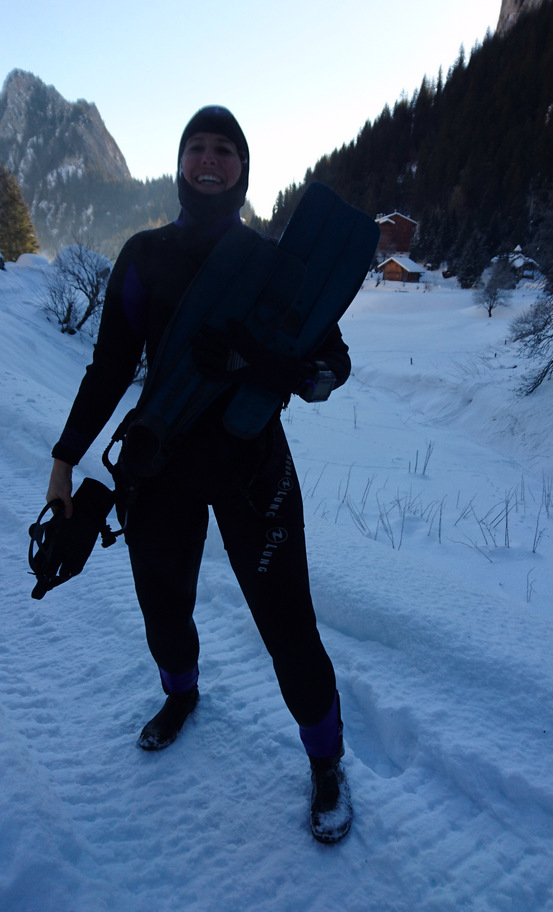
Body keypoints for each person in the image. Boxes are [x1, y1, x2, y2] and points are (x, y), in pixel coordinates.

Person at [46, 106, 353, 844]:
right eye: (197, 147)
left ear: (242, 167)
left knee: (288, 625)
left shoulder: (274, 263)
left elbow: (331, 369)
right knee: (163, 607)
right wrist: (63, 457)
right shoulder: (144, 255)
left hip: (253, 468)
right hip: (162, 465)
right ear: (181, 163)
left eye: (224, 149)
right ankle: (180, 697)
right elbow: (110, 366)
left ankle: (326, 764)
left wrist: (262, 363)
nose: (209, 159)